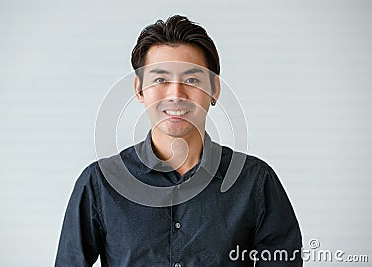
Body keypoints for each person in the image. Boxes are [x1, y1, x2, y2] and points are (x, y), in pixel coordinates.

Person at [55, 15, 302, 266]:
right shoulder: (100, 182)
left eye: (192, 80)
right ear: (139, 90)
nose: (176, 94)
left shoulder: (255, 181)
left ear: (214, 89)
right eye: (160, 79)